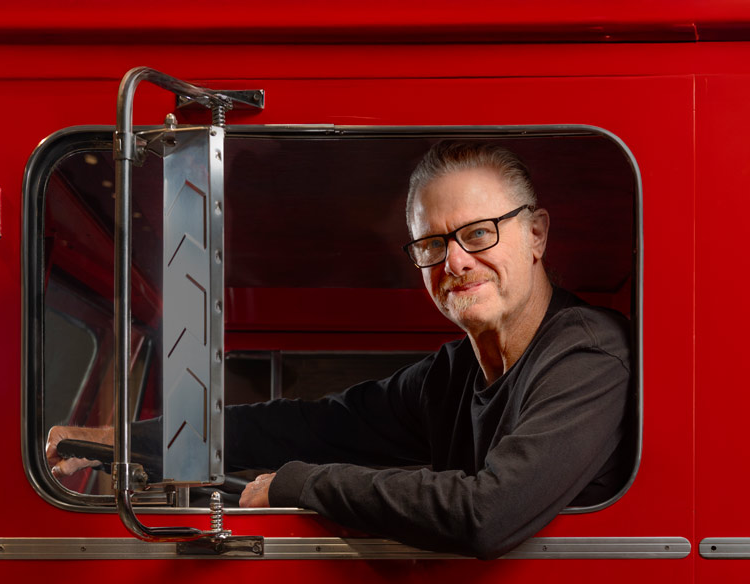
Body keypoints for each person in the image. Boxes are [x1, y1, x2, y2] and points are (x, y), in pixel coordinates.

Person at [48, 141, 632, 559]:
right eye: (432, 244)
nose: (454, 262)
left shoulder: (586, 353)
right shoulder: (453, 375)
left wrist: (298, 484)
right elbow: (312, 426)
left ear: (537, 235)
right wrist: (130, 442)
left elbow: (489, 513)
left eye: (478, 234)